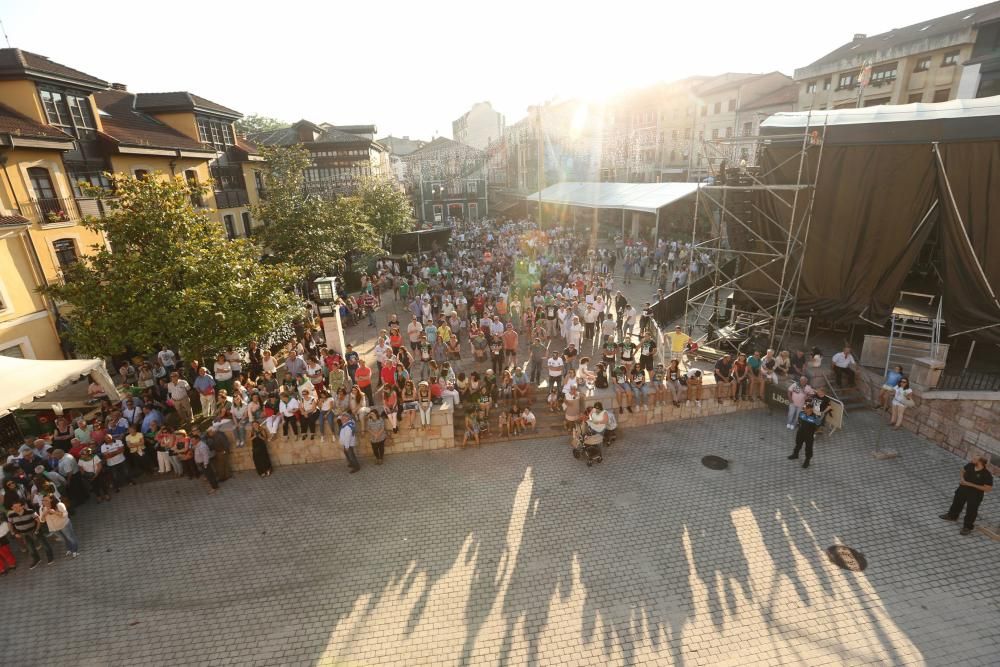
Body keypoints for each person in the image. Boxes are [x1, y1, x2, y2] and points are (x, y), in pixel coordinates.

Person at [940, 456, 993, 535]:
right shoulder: (970, 465)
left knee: (971, 510)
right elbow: (962, 470)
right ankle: (952, 516)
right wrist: (962, 479)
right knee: (957, 502)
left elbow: (988, 489)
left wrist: (970, 484)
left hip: (975, 494)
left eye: (974, 459)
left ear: (980, 462)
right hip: (963, 489)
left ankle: (967, 527)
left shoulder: (986, 474)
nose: (972, 459)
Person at [6, 500, 53, 568]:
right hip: (23, 533)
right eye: (13, 507)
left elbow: (38, 520)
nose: (14, 509)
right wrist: (13, 533)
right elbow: (9, 523)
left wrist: (37, 530)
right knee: (30, 548)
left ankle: (50, 556)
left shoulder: (30, 511)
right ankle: (36, 559)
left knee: (44, 544)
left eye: (16, 507)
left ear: (22, 506)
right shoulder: (11, 515)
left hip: (34, 530)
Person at [787, 403, 822, 468]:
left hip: (809, 435)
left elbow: (818, 426)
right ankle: (795, 454)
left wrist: (814, 433)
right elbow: (799, 421)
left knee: (808, 448)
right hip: (800, 433)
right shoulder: (801, 413)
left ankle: (807, 461)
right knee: (798, 444)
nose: (805, 410)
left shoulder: (815, 417)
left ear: (811, 409)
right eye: (805, 408)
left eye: (807, 409)